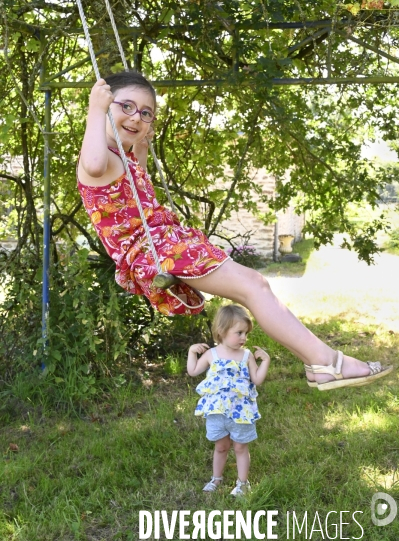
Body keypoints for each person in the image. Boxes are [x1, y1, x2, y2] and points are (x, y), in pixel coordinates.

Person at [77, 70, 392, 391]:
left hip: (164, 243)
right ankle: (328, 363)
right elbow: (93, 164)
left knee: (256, 286)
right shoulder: (98, 154)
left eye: (146, 113)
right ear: (105, 104)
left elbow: (136, 190)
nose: (136, 117)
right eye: (125, 106)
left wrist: (141, 148)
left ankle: (321, 364)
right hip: (156, 251)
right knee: (254, 286)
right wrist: (95, 110)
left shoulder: (122, 157)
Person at [187, 304, 270, 495]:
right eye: (239, 332)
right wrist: (192, 352)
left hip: (240, 412)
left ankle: (242, 483)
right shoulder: (211, 355)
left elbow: (257, 379)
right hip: (217, 412)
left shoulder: (246, 356)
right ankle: (216, 479)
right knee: (221, 446)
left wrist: (265, 362)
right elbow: (193, 371)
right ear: (221, 331)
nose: (244, 338)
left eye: (246, 333)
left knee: (241, 446)